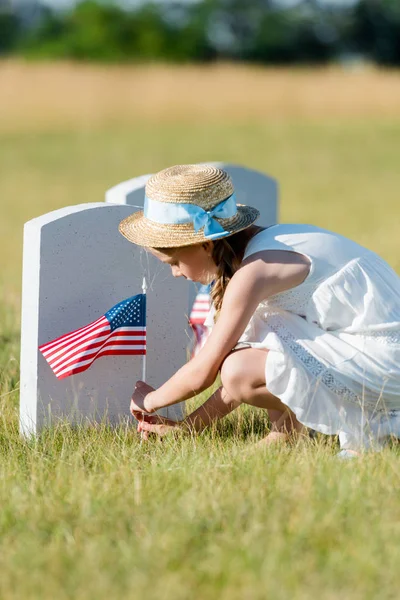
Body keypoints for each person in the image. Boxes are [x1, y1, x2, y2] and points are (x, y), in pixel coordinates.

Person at [119, 164, 400, 456]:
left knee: (238, 366)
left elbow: (206, 372)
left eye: (174, 262)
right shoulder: (269, 246)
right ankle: (286, 434)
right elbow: (255, 364)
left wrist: (149, 400)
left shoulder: (253, 275)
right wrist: (189, 428)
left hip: (388, 365)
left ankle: (374, 418)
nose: (176, 273)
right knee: (259, 338)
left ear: (204, 244)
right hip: (374, 355)